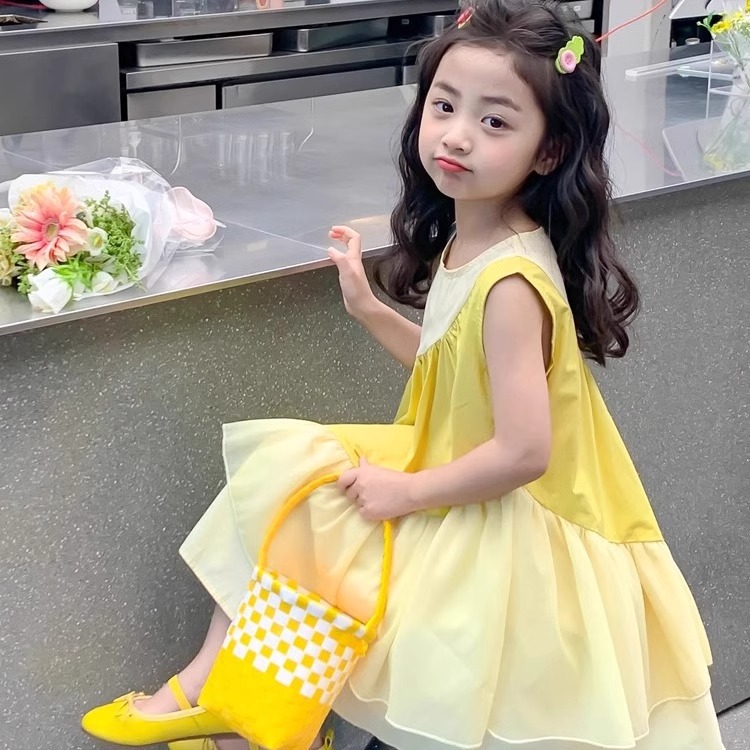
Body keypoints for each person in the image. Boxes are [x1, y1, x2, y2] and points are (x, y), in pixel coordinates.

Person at [81, 1, 726, 749]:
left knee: (306, 503)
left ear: (549, 152)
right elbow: (452, 369)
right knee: (292, 484)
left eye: (495, 121)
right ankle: (228, 702)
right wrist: (368, 309)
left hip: (519, 511)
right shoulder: (474, 239)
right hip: (457, 466)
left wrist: (406, 493)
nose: (456, 135)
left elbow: (526, 452)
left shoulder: (511, 282)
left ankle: (236, 709)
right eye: (444, 106)